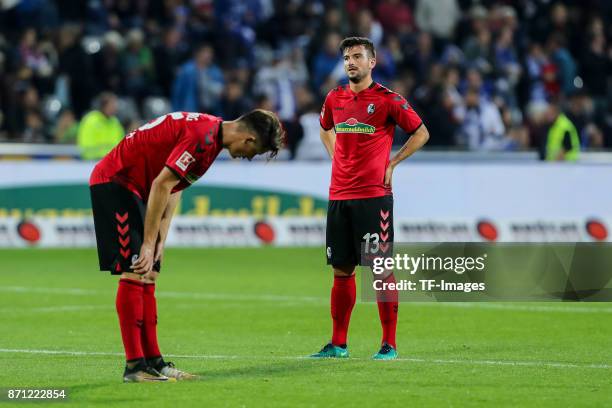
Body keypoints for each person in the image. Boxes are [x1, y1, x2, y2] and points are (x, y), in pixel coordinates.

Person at [89, 109, 284, 382]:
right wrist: (146, 243)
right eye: (254, 151)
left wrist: (159, 242)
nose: (248, 156)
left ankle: (154, 363)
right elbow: (161, 184)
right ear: (249, 138)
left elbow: (174, 189)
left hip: (139, 189)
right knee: (135, 268)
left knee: (150, 270)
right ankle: (134, 367)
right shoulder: (201, 137)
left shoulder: (211, 141)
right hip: (116, 181)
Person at [312, 37, 429, 360]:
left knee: (380, 269)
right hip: (339, 195)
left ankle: (388, 344)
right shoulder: (334, 98)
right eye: (347, 57)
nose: (351, 62)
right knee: (341, 270)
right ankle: (338, 344)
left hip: (373, 197)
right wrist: (335, 156)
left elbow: (421, 132)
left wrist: (393, 163)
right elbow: (324, 128)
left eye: (358, 56)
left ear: (372, 62)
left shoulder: (388, 100)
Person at [77, 92, 124, 160]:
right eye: (112, 105)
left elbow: (120, 144)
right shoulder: (91, 120)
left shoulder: (115, 122)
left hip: (112, 162)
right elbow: (86, 145)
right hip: (92, 163)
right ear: (104, 106)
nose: (115, 108)